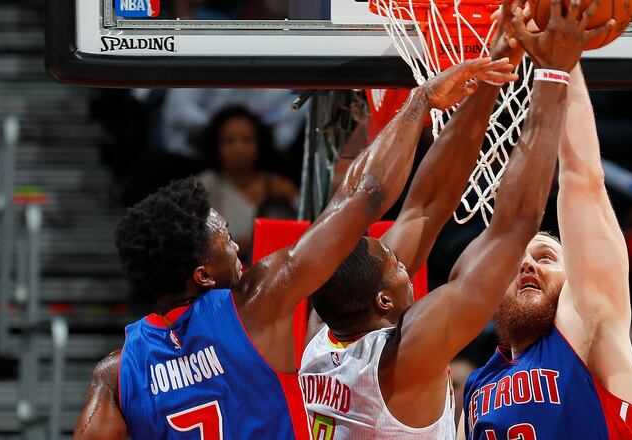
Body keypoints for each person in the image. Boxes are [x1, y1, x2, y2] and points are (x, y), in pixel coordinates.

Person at [71, 58, 514, 440]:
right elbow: (363, 195)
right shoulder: (254, 304)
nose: (236, 246)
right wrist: (418, 104)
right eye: (225, 239)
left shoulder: (117, 372)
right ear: (203, 275)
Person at [299, 1, 608, 437]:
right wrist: (553, 73)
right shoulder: (406, 361)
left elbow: (425, 208)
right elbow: (515, 224)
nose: (401, 257)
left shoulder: (322, 337)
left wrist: (491, 76)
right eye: (394, 264)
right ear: (383, 301)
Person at [460, 1, 632, 438]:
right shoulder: (475, 385)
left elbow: (583, 181)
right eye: (519, 259)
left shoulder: (588, 333)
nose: (527, 264)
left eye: (546, 256)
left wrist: (561, 63)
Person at [197, 106, 299, 257]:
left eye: (247, 140)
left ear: (260, 144)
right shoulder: (205, 186)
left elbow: (306, 229)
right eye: (229, 141)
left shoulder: (279, 187)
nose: (239, 148)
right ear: (216, 146)